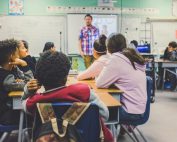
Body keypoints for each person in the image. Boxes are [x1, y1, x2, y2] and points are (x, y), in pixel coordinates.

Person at [22, 51, 113, 142]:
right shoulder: (83, 92)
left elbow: (23, 103)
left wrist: (28, 90)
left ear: (39, 79)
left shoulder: (34, 102)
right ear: (66, 76)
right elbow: (105, 115)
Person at [96, 33, 147, 124]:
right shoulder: (130, 57)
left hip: (130, 112)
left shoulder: (116, 59)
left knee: (93, 109)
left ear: (108, 47)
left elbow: (99, 83)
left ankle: (107, 136)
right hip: (140, 109)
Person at [0, 39, 33, 125]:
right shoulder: (6, 77)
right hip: (7, 116)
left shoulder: (14, 69)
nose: (19, 56)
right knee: (36, 114)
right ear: (12, 56)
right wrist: (24, 65)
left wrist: (22, 82)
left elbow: (25, 81)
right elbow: (31, 85)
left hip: (12, 110)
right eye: (17, 53)